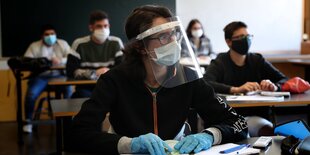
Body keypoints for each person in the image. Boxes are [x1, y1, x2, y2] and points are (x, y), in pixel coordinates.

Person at [68, 5, 248, 155]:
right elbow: (77, 134)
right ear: (140, 46)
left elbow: (238, 123)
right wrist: (128, 144)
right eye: (163, 36)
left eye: (174, 34)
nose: (173, 42)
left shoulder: (187, 77)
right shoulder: (114, 80)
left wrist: (210, 135)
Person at [204, 21, 288, 134]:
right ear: (229, 42)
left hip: (258, 114)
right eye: (241, 37)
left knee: (269, 131)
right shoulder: (220, 62)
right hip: (230, 118)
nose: (246, 40)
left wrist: (274, 87)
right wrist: (235, 89)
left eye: (248, 36)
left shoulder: (257, 60)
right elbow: (206, 82)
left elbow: (285, 80)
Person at [23, 24, 72, 133]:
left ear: (55, 34)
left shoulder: (62, 44)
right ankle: (28, 122)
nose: (50, 36)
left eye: (52, 34)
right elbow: (27, 61)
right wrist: (42, 62)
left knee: (68, 90)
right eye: (47, 34)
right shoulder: (34, 46)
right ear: (42, 36)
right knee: (31, 95)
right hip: (41, 77)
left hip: (60, 76)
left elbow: (72, 58)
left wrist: (60, 60)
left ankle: (67, 122)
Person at [66, 10, 124, 98]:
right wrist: (94, 73)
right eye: (99, 26)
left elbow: (122, 67)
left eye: (105, 26)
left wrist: (107, 72)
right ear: (91, 27)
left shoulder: (116, 42)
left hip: (110, 85)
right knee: (81, 98)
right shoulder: (79, 43)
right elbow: (70, 70)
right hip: (86, 88)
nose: (103, 29)